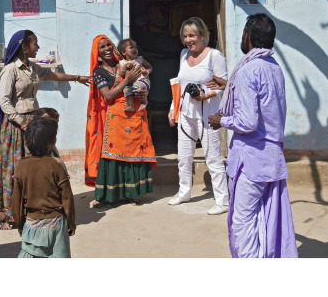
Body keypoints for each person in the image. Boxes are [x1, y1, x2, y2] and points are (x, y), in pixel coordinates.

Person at [208, 13, 298, 258]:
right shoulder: (273, 67)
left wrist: (221, 120)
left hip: (252, 160)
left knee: (243, 221)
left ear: (246, 36)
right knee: (263, 217)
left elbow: (247, 122)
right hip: (271, 157)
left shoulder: (248, 71)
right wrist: (229, 87)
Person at [0, 29, 89, 228]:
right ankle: (12, 211)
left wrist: (77, 78)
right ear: (24, 47)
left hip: (34, 122)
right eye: (35, 43)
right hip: (17, 126)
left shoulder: (32, 67)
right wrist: (22, 123)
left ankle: (39, 204)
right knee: (16, 167)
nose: (38, 47)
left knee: (43, 163)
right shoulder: (10, 70)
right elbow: (4, 102)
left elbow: (51, 75)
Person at [167, 17, 230, 215]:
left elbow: (224, 85)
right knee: (184, 157)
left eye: (192, 35)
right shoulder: (183, 54)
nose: (188, 40)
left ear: (202, 35)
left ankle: (222, 200)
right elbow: (180, 84)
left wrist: (207, 95)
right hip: (186, 114)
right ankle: (184, 192)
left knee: (213, 158)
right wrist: (173, 107)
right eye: (185, 36)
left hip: (208, 115)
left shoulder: (215, 56)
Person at [86, 35, 157, 207]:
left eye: (108, 45)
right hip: (116, 117)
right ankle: (108, 195)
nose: (107, 49)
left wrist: (143, 92)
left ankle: (132, 193)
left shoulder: (126, 63)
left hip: (136, 114)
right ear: (97, 53)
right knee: (113, 154)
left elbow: (143, 80)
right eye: (102, 47)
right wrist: (127, 80)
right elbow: (109, 95)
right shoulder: (98, 73)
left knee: (135, 151)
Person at [12, 117, 76, 258]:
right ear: (51, 143)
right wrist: (71, 223)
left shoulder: (21, 165)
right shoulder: (57, 164)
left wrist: (20, 226)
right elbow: (67, 198)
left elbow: (16, 202)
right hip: (56, 224)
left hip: (31, 222)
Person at [117, 38, 153, 112]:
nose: (135, 49)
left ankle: (144, 102)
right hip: (131, 84)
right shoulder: (122, 63)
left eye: (136, 47)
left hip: (143, 80)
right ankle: (131, 106)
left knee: (136, 88)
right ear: (123, 52)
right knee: (126, 90)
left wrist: (146, 71)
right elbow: (121, 74)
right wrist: (125, 67)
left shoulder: (140, 59)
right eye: (131, 47)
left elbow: (149, 66)